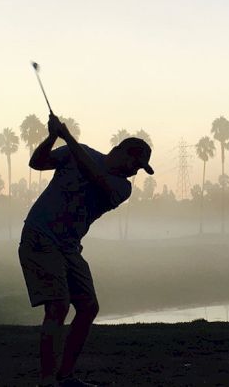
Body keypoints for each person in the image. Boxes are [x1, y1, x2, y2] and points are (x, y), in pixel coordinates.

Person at [18, 114, 154, 387]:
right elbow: (36, 163)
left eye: (139, 169)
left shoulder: (121, 188)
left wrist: (67, 137)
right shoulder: (74, 153)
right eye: (134, 164)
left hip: (68, 247)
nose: (134, 172)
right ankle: (47, 381)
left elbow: (96, 178)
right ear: (117, 151)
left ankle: (65, 376)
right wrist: (53, 136)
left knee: (88, 307)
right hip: (40, 236)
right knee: (58, 306)